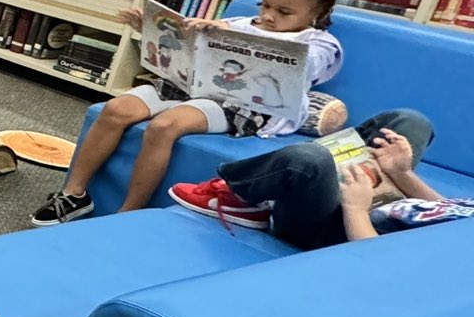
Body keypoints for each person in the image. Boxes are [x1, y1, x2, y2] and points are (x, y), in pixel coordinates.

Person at [31, 0, 348, 225]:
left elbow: (307, 66)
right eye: (265, 5)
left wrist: (237, 40)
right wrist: (153, 29)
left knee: (165, 126)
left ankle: (127, 216)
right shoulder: (242, 22)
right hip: (191, 86)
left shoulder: (320, 44)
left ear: (317, 14)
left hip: (242, 104)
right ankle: (74, 195)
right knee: (116, 109)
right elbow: (192, 49)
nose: (268, 17)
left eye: (283, 12)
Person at [171, 113, 461, 250]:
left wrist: (356, 209)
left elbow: (382, 261)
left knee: (308, 160)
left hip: (343, 235)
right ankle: (293, 179)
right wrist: (401, 172)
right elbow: (448, 212)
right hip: (389, 199)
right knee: (411, 121)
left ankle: (242, 195)